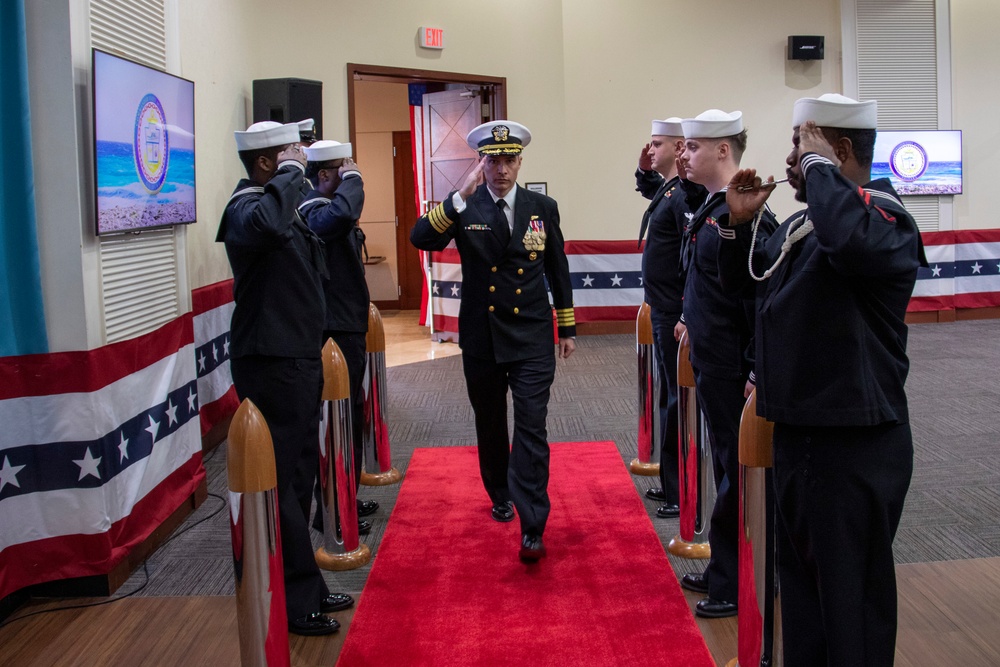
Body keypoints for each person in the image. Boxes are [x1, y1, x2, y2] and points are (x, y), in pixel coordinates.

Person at [719, 94, 926, 665]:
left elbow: (852, 243)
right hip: (800, 434)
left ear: (839, 152)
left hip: (853, 444)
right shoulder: (809, 222)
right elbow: (753, 296)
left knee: (849, 605)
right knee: (805, 601)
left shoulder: (884, 218)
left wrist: (819, 169)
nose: (791, 160)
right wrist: (739, 228)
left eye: (801, 147)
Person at [410, 120, 576, 563]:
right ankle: (499, 491)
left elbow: (557, 267)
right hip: (483, 335)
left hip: (532, 335)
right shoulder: (465, 206)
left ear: (520, 161)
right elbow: (420, 238)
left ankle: (533, 523)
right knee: (490, 419)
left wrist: (567, 326)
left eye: (509, 159)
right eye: (492, 159)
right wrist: (459, 196)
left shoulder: (543, 206)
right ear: (481, 163)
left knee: (531, 424)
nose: (501, 169)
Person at [217, 121, 353, 636]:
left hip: (295, 357)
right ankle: (294, 602)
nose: (303, 162)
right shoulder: (245, 208)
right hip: (271, 362)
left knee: (298, 480)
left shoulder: (275, 204)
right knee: (279, 483)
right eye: (292, 155)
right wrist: (293, 173)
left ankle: (304, 588)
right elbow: (269, 226)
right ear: (268, 164)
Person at [675, 109, 776, 618]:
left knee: (739, 473)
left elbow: (760, 302)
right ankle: (726, 569)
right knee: (724, 466)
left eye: (693, 147)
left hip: (736, 367)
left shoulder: (748, 213)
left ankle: (741, 582)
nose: (683, 154)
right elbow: (712, 286)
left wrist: (757, 370)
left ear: (722, 150)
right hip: (714, 358)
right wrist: (693, 320)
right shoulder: (713, 207)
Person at [299, 139, 378, 534]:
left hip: (346, 324)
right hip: (332, 330)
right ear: (325, 175)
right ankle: (328, 507)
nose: (349, 176)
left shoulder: (329, 210)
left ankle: (343, 492)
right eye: (341, 171)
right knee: (335, 419)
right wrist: (355, 179)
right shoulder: (313, 210)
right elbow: (343, 212)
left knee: (349, 415)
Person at [634, 117, 705, 518]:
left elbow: (691, 253)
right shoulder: (671, 188)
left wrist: (683, 311)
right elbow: (651, 192)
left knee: (679, 401)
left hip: (673, 311)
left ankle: (682, 492)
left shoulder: (683, 195)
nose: (651, 149)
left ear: (679, 147)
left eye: (658, 144)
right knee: (668, 397)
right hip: (663, 307)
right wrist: (644, 169)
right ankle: (671, 482)